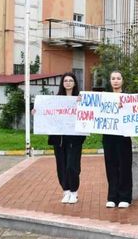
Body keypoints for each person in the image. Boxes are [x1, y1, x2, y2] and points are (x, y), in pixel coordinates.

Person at [50, 72, 85, 204]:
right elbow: (47, 113)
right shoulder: (56, 100)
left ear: (75, 83)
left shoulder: (80, 98)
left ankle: (74, 191)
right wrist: (36, 112)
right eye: (66, 81)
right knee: (61, 165)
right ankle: (66, 191)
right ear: (62, 83)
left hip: (75, 139)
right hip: (59, 139)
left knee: (72, 165)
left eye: (71, 80)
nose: (68, 83)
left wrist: (82, 104)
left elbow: (88, 113)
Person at [102, 70, 133, 208]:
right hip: (108, 136)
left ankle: (125, 197)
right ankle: (112, 196)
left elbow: (134, 114)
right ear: (110, 81)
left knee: (125, 166)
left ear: (122, 81)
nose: (115, 80)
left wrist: (125, 107)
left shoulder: (128, 98)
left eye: (118, 78)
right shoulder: (104, 98)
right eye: (113, 78)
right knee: (111, 166)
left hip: (124, 136)